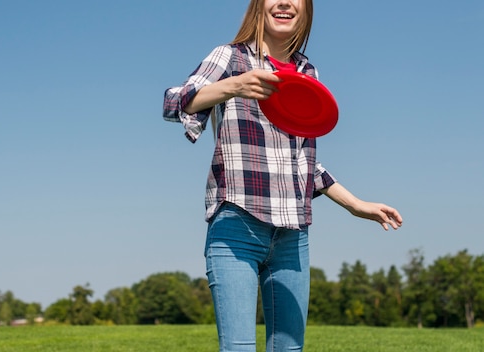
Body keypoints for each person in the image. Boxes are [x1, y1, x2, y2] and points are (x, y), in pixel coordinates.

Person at [162, 0, 403, 351]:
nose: (285, 2)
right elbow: (173, 101)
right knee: (239, 347)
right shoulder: (230, 58)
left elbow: (303, 163)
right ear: (259, 6)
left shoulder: (308, 73)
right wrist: (233, 86)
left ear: (306, 11)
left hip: (293, 236)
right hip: (236, 225)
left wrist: (356, 205)